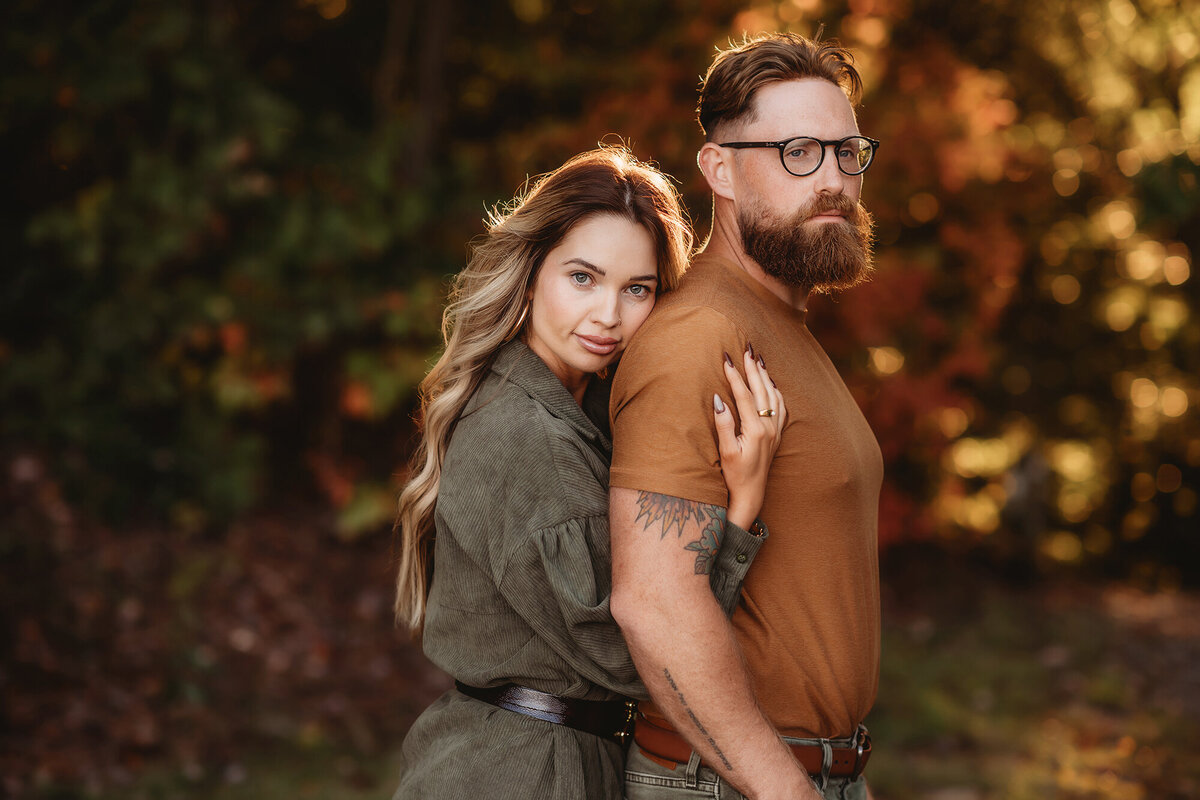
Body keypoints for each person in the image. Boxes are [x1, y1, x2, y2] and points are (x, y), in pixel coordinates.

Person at [389, 146, 787, 800]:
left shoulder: (582, 411)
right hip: (521, 776)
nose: (608, 314)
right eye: (583, 278)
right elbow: (639, 653)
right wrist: (740, 510)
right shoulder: (524, 432)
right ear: (531, 273)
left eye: (638, 289)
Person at [609, 33, 883, 800]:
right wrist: (786, 790)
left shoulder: (778, 323)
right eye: (798, 150)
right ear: (719, 169)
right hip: (731, 784)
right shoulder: (701, 337)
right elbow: (654, 603)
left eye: (847, 152)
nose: (832, 179)